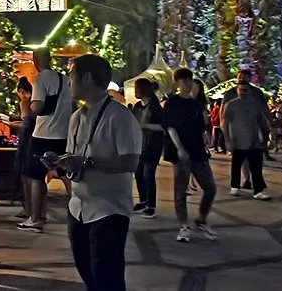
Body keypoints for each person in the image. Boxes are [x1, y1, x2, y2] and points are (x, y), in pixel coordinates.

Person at [53, 54, 141, 291]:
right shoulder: (75, 117)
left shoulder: (120, 117)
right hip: (78, 208)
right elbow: (75, 156)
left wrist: (88, 163)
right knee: (88, 272)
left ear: (87, 78)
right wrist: (61, 163)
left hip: (109, 209)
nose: (69, 82)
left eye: (72, 76)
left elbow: (130, 162)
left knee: (107, 277)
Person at [19, 47, 73, 233]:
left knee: (36, 177)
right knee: (66, 174)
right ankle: (79, 211)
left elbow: (37, 106)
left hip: (43, 134)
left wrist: (27, 102)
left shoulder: (40, 79)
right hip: (63, 134)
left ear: (35, 60)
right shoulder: (65, 79)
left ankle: (35, 218)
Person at [163, 67, 217, 243]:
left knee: (210, 188)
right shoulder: (172, 103)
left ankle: (202, 219)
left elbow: (202, 127)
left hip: (198, 151)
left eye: (190, 80)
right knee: (181, 190)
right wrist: (179, 147)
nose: (187, 84)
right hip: (180, 152)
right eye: (184, 81)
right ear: (177, 83)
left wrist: (206, 135)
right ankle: (183, 225)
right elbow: (170, 126)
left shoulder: (197, 105)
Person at [222, 79, 270, 200]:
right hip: (238, 139)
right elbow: (225, 123)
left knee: (256, 166)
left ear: (249, 91)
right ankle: (235, 185)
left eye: (245, 90)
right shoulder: (231, 105)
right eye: (241, 90)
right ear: (237, 90)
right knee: (237, 164)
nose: (243, 92)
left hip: (254, 140)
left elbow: (261, 120)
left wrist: (264, 137)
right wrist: (227, 140)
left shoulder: (255, 104)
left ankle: (258, 190)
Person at [131, 77, 164, 218]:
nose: (134, 91)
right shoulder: (138, 105)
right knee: (138, 173)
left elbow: (163, 127)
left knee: (148, 175)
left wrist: (144, 126)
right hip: (139, 144)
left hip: (152, 145)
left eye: (136, 88)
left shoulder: (156, 107)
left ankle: (151, 205)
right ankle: (143, 200)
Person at [11, 77, 36, 220]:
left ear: (21, 91)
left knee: (26, 175)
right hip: (37, 140)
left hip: (27, 142)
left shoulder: (25, 103)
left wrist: (13, 125)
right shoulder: (37, 103)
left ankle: (29, 209)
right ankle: (38, 211)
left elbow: (27, 123)